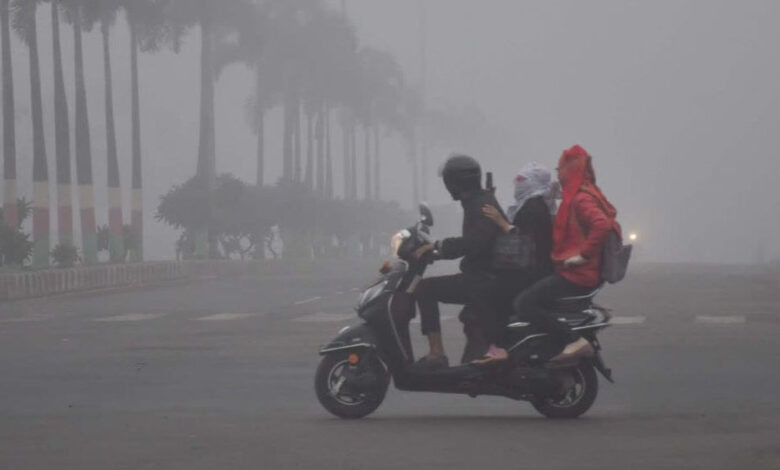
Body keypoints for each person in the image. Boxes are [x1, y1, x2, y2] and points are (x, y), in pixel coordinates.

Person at [511, 145, 620, 361]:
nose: (558, 175)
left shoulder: (580, 198)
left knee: (523, 303)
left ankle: (573, 339)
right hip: (578, 272)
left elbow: (601, 225)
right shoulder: (583, 193)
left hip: (577, 275)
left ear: (570, 171)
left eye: (559, 169)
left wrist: (583, 255)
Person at [411, 154, 503, 369]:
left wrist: (438, 247)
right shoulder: (478, 200)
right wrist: (438, 250)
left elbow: (474, 243)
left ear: (454, 183)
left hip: (484, 278)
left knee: (424, 288)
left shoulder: (481, 204)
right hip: (485, 274)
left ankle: (436, 352)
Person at [471, 163, 557, 363]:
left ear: (533, 183)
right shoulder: (532, 204)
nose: (518, 185)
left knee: (483, 292)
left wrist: (501, 222)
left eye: (522, 181)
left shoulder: (533, 208)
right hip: (532, 269)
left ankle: (497, 345)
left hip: (531, 273)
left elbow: (522, 241)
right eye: (517, 181)